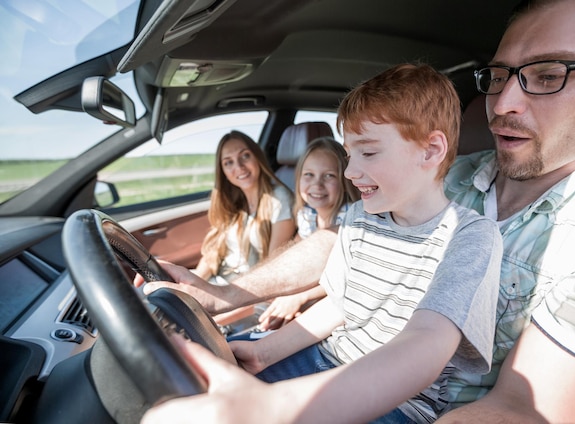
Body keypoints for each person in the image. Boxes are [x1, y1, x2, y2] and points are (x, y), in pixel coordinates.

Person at [138, 0, 575, 422]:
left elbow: (521, 409)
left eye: (549, 74)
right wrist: (225, 295)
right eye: (497, 77)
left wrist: (278, 408)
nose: (502, 104)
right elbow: (347, 257)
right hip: (327, 357)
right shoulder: (450, 175)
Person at [147, 62, 505, 423]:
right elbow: (340, 306)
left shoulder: (470, 237)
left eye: (367, 153)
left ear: (430, 151)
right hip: (322, 356)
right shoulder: (360, 219)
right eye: (350, 155)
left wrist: (275, 406)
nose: (350, 171)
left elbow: (426, 345)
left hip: (397, 402)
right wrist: (265, 353)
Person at [257, 136, 360, 331]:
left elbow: (343, 278)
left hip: (336, 297)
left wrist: (299, 296)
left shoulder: (349, 218)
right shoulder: (307, 214)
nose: (317, 185)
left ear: (345, 180)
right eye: (309, 175)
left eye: (329, 175)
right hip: (312, 288)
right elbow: (296, 252)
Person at [193, 130, 296, 285]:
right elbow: (213, 253)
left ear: (257, 158)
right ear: (223, 172)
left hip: (247, 287)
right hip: (220, 281)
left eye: (245, 156)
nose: (239, 167)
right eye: (228, 162)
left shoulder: (279, 198)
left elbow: (272, 265)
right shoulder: (233, 201)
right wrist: (191, 286)